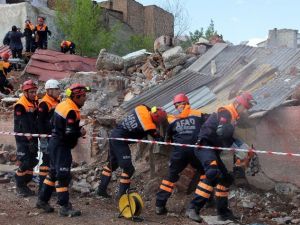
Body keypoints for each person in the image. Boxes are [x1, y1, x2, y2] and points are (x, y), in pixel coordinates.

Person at [186, 92, 257, 222]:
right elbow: (222, 133)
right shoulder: (226, 112)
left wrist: (245, 150)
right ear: (238, 104)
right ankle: (193, 208)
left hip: (212, 150)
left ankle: (223, 213)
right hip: (205, 147)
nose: (245, 111)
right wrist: (241, 151)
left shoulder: (232, 118)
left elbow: (228, 137)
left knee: (226, 179)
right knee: (213, 172)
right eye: (245, 108)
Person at [37, 83, 90, 217]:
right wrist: (80, 132)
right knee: (63, 175)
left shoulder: (63, 104)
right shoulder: (71, 110)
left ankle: (42, 200)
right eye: (83, 96)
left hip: (55, 143)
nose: (85, 99)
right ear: (76, 96)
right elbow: (69, 132)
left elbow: (54, 124)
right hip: (61, 146)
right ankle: (64, 206)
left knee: (53, 173)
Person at [96, 105, 167, 199]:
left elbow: (146, 106)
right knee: (128, 169)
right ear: (156, 118)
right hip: (120, 140)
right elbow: (158, 138)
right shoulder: (149, 125)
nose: (159, 123)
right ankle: (122, 197)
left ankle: (101, 190)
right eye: (159, 121)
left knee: (112, 164)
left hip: (114, 135)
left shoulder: (141, 108)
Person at [155, 93, 209, 215]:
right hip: (196, 150)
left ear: (178, 105)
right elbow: (211, 120)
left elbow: (167, 141)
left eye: (177, 105)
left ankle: (159, 205)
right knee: (205, 172)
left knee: (171, 177)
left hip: (179, 152)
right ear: (187, 103)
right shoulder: (198, 114)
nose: (178, 107)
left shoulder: (173, 119)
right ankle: (206, 200)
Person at [14, 80, 38, 197]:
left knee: (32, 161)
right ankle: (19, 185)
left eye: (35, 91)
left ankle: (25, 183)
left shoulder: (34, 102)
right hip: (23, 137)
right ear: (25, 92)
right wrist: (29, 136)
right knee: (25, 161)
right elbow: (22, 123)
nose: (34, 94)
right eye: (32, 92)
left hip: (32, 136)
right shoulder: (20, 104)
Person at [37, 79, 61, 191]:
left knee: (53, 161)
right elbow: (40, 122)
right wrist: (43, 137)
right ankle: (43, 187)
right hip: (46, 137)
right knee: (46, 161)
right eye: (56, 89)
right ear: (49, 90)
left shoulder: (57, 101)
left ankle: (49, 186)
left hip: (55, 136)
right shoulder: (44, 103)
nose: (58, 91)